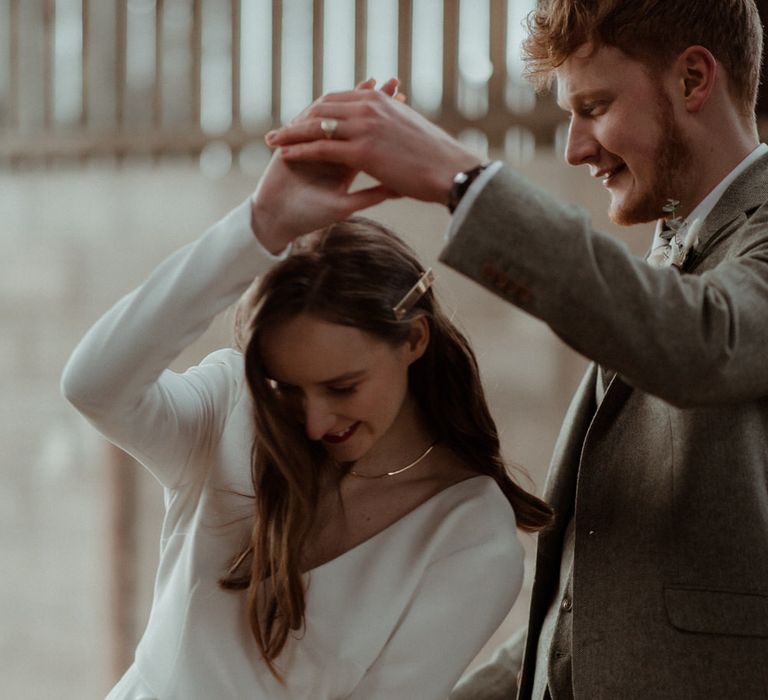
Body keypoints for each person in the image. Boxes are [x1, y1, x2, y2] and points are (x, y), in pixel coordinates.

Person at [264, 0, 768, 697]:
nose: (575, 147)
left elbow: (704, 341)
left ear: (692, 80)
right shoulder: (665, 267)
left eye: (593, 107)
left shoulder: (731, 267)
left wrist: (462, 180)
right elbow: (587, 613)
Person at [60, 79, 552, 700]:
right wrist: (259, 227)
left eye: (343, 386)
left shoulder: (469, 533)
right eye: (286, 387)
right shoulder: (230, 404)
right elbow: (93, 384)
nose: (313, 421)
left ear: (414, 341)